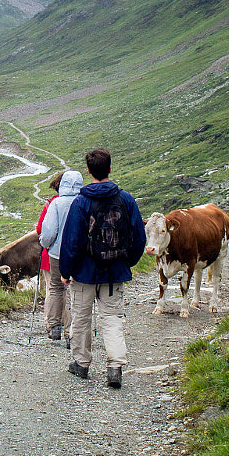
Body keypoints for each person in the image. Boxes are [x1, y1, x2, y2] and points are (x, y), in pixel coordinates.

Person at [57, 148, 146, 389]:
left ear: (89, 171)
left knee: (81, 318)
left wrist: (66, 271)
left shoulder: (81, 202)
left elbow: (72, 241)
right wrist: (127, 262)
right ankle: (115, 366)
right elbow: (139, 238)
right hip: (114, 272)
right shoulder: (126, 200)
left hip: (84, 273)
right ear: (109, 168)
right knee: (112, 318)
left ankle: (81, 363)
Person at [35, 169, 83, 340]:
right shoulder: (84, 202)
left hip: (56, 253)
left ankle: (54, 327)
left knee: (55, 287)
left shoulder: (56, 203)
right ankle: (71, 330)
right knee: (73, 289)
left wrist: (46, 245)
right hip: (79, 254)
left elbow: (48, 232)